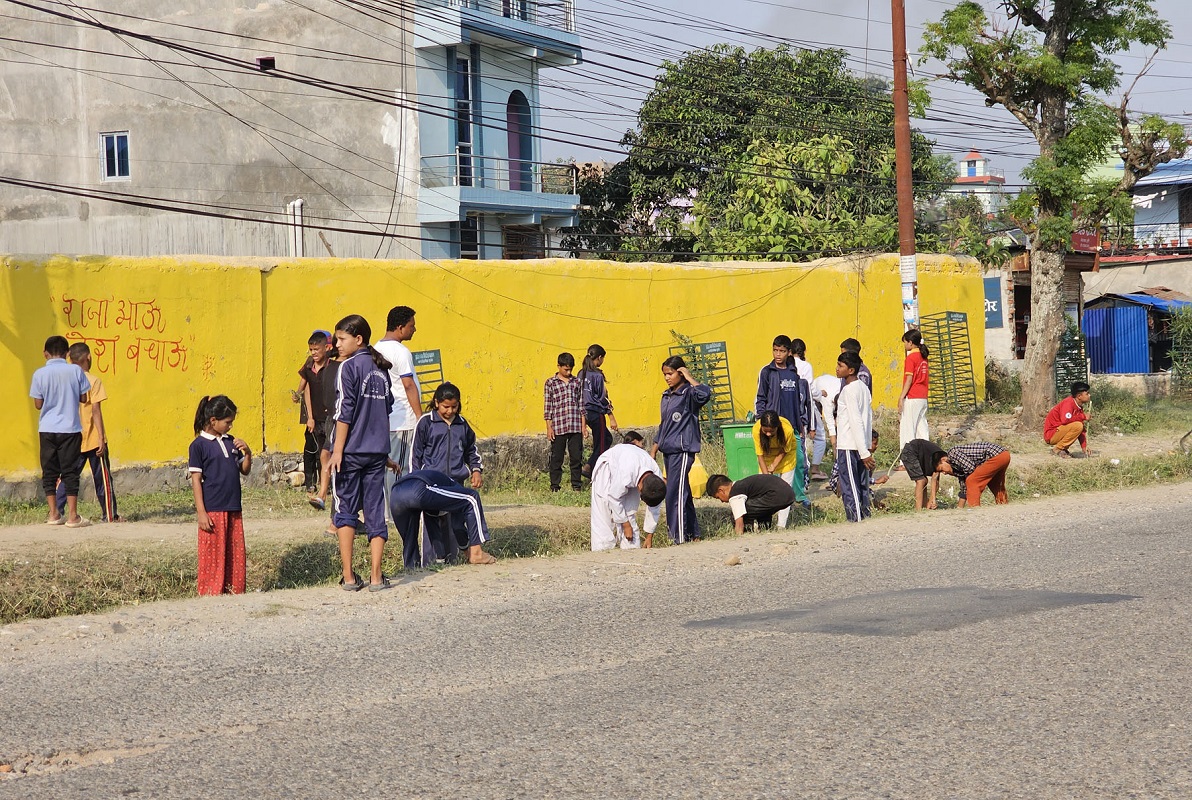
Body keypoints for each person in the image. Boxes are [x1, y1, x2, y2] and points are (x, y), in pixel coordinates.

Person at [328, 314, 394, 592]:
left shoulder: (349, 368)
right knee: (375, 511)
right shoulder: (380, 370)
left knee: (345, 511)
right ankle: (377, 577)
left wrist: (337, 451)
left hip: (352, 451)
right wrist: (384, 452)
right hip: (376, 452)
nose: (336, 344)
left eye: (342, 339)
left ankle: (350, 576)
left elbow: (345, 413)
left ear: (359, 339)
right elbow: (385, 410)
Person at [188, 395, 252, 595]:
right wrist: (201, 512)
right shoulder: (198, 445)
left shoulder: (231, 442)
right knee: (213, 554)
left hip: (233, 505)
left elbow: (245, 470)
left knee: (234, 553)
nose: (230, 426)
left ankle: (234, 590)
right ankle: (211, 592)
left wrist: (248, 453)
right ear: (213, 420)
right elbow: (196, 480)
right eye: (228, 422)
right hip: (213, 508)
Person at [54, 342, 120, 523]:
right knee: (103, 479)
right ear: (88, 358)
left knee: (68, 475)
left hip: (71, 437)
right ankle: (109, 515)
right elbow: (96, 410)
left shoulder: (64, 380)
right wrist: (101, 437)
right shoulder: (93, 381)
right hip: (91, 437)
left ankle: (56, 511)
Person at [30, 335, 91, 528]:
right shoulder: (75, 371)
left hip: (47, 428)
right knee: (70, 471)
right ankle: (73, 516)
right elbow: (83, 398)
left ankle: (54, 513)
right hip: (70, 428)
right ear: (67, 354)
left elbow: (38, 404)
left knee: (49, 472)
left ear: (45, 354)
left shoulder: (39, 374)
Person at [649, 356, 712, 544]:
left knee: (673, 493)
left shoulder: (689, 394)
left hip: (682, 449)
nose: (667, 378)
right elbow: (664, 425)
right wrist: (654, 448)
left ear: (680, 372)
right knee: (681, 491)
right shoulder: (666, 395)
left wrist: (689, 376)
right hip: (668, 450)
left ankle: (677, 537)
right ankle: (694, 533)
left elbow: (705, 394)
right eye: (665, 374)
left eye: (671, 373)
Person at [389, 469, 496, 568]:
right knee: (471, 498)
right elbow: (457, 525)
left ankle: (412, 570)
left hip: (395, 494)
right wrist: (466, 550)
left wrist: (441, 557)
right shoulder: (455, 487)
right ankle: (477, 552)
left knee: (409, 540)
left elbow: (433, 527)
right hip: (418, 486)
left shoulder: (436, 494)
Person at [374, 306, 422, 521]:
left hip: (386, 419)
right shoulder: (400, 352)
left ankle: (388, 511)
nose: (415, 329)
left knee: (388, 466)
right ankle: (395, 512)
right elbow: (408, 385)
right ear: (401, 327)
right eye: (412, 326)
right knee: (399, 467)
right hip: (402, 419)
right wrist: (420, 417)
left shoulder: (375, 348)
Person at [754, 335, 809, 505]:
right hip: (773, 426)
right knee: (772, 462)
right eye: (775, 350)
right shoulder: (767, 372)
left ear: (789, 352)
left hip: (791, 425)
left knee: (798, 461)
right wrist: (762, 421)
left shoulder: (793, 373)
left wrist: (800, 424)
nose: (778, 354)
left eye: (782, 351)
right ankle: (774, 496)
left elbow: (797, 401)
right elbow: (760, 398)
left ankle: (798, 495)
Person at [589, 441, 667, 551]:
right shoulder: (626, 473)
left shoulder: (656, 477)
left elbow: (655, 507)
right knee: (604, 514)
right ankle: (602, 550)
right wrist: (625, 525)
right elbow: (614, 497)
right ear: (639, 488)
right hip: (607, 468)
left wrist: (649, 536)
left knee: (629, 511)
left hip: (632, 467)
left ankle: (631, 548)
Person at [835, 351, 875, 522]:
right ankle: (864, 516)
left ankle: (855, 519)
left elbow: (857, 421)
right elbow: (868, 418)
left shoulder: (849, 390)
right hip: (860, 444)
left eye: (840, 366)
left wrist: (864, 452)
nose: (836, 369)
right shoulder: (864, 388)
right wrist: (865, 445)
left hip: (849, 445)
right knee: (861, 484)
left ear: (851, 370)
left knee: (850, 485)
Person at [308, 332, 341, 513]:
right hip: (327, 418)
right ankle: (322, 494)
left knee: (328, 455)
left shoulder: (341, 366)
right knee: (324, 455)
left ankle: (328, 497)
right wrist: (310, 416)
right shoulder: (316, 366)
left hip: (338, 417)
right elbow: (305, 387)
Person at [543, 351, 583, 492]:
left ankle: (576, 485)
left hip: (575, 425)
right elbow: (548, 407)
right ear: (558, 366)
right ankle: (555, 486)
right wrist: (549, 427)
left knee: (576, 457)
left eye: (570, 369)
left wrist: (583, 427)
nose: (568, 371)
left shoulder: (577, 382)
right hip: (558, 425)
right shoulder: (550, 383)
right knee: (557, 457)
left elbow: (581, 405)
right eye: (566, 369)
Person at [298, 330, 332, 493]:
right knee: (312, 449)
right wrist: (309, 417)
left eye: (316, 350)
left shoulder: (332, 366)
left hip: (330, 417)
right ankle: (311, 483)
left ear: (326, 348)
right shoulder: (309, 365)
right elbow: (306, 390)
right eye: (311, 350)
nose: (313, 353)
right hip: (315, 417)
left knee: (327, 451)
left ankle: (327, 485)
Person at [751, 410, 799, 527]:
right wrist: (767, 476)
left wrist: (773, 466)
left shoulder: (787, 429)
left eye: (771, 431)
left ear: (777, 427)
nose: (768, 434)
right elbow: (760, 455)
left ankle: (781, 525)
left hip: (786, 456)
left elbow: (784, 451)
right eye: (765, 431)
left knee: (785, 490)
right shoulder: (756, 429)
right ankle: (762, 523)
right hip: (766, 456)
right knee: (761, 489)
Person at [706, 473, 796, 535]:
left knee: (737, 514)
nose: (721, 501)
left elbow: (739, 520)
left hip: (777, 495)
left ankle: (748, 534)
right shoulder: (743, 485)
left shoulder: (735, 493)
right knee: (759, 509)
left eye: (718, 497)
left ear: (721, 490)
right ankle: (765, 528)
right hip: (788, 493)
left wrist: (738, 537)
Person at [580, 344, 617, 477]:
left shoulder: (581, 373)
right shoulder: (597, 375)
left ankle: (590, 465)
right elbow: (602, 398)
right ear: (600, 358)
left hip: (584, 412)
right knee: (602, 443)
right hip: (595, 412)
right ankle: (593, 470)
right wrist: (611, 416)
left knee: (606, 438)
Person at [935, 442, 1011, 507]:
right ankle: (1003, 505)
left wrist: (967, 480)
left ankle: (974, 509)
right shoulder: (956, 467)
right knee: (995, 483)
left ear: (943, 460)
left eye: (941, 469)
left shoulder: (952, 454)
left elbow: (970, 467)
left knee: (972, 481)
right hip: (1004, 455)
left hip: (996, 455)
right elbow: (964, 489)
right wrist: (959, 508)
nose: (944, 473)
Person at [898, 329, 930, 451]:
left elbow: (909, 379)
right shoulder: (923, 357)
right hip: (922, 396)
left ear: (910, 343)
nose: (905, 345)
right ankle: (926, 457)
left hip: (912, 396)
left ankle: (906, 461)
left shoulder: (911, 358)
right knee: (922, 429)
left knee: (908, 429)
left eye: (905, 342)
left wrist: (901, 397)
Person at [1044, 381, 1092, 458]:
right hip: (1052, 434)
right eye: (1087, 394)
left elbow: (1081, 430)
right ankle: (1057, 449)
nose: (1089, 395)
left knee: (1079, 426)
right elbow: (1065, 420)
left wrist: (1084, 447)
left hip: (1060, 431)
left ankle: (1063, 449)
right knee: (1078, 425)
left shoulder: (1079, 407)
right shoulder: (1068, 403)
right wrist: (1083, 416)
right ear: (1079, 396)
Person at [897, 438, 947, 510]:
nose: (944, 473)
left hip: (918, 454)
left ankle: (925, 507)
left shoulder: (940, 460)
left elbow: (936, 482)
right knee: (921, 480)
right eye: (944, 471)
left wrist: (932, 501)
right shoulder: (939, 456)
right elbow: (935, 480)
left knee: (924, 480)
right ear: (943, 460)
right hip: (910, 452)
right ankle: (918, 510)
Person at [809, 372, 841, 479]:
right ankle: (815, 469)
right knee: (820, 435)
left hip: (825, 383)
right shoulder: (829, 401)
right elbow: (831, 428)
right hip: (816, 395)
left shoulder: (844, 391)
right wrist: (836, 452)